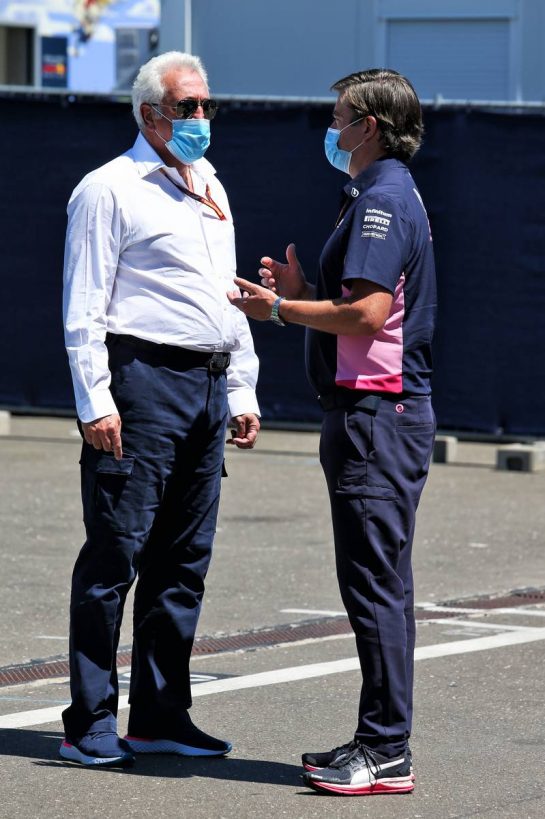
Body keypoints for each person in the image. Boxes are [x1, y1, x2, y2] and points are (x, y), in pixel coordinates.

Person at [228, 68, 436, 796]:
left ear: (368, 127)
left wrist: (280, 311)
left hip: (375, 419)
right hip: (380, 416)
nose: (332, 127)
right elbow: (364, 309)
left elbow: (369, 316)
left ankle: (385, 750)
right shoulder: (382, 193)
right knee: (382, 587)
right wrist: (304, 295)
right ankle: (382, 741)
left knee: (374, 589)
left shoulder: (381, 200)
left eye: (340, 116)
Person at [61, 51, 260, 767]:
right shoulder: (108, 189)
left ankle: (159, 713)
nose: (202, 117)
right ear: (150, 114)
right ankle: (88, 719)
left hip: (206, 382)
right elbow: (84, 305)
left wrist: (241, 387)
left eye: (207, 104)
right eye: (188, 106)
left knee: (183, 561)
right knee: (115, 554)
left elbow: (224, 296)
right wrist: (96, 401)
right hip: (141, 382)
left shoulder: (209, 183)